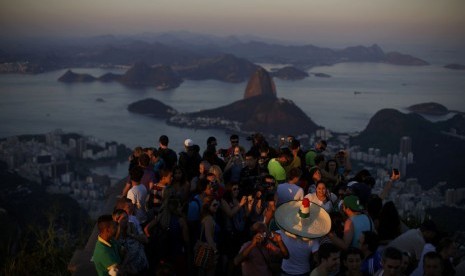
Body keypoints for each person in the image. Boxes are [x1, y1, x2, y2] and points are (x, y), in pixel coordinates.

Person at [198, 196, 221, 276]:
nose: (216, 206)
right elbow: (208, 237)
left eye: (217, 205)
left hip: (209, 249)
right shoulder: (208, 219)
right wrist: (215, 251)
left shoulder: (210, 217)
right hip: (209, 250)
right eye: (214, 205)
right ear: (208, 206)